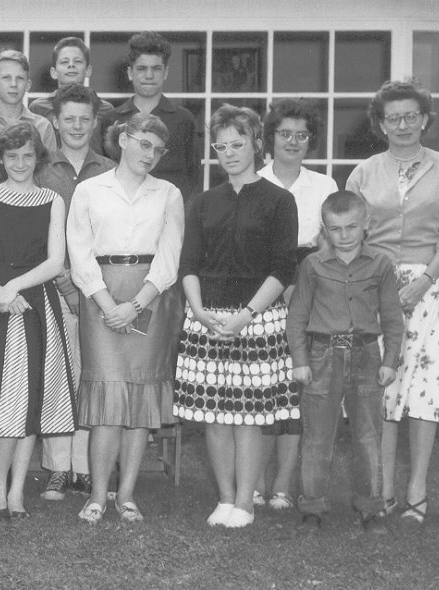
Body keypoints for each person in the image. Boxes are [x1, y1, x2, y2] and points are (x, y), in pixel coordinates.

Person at [346, 80, 439, 527]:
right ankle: (382, 489)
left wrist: (424, 281)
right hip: (375, 286)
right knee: (382, 388)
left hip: (429, 287)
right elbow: (351, 233)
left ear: (425, 120)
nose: (402, 125)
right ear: (380, 124)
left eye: (410, 116)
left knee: (425, 388)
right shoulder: (363, 173)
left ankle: (417, 488)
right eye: (393, 118)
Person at [174, 105, 298, 528]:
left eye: (237, 144)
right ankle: (225, 499)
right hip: (207, 317)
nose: (229, 153)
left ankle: (245, 502)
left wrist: (246, 315)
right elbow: (189, 264)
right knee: (214, 415)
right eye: (221, 147)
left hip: (256, 319)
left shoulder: (279, 200)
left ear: (256, 144)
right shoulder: (204, 202)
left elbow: (283, 268)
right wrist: (199, 310)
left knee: (248, 416)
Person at [67, 113, 184, 523]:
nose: (149, 155)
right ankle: (98, 496)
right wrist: (106, 304)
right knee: (107, 398)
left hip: (149, 296)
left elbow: (169, 258)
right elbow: (79, 251)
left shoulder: (168, 193)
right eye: (143, 144)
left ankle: (128, 495)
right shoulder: (89, 190)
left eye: (158, 149)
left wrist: (135, 305)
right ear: (123, 140)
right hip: (99, 293)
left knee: (140, 398)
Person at [0, 122, 74, 517]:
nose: (20, 163)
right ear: (1, 159)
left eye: (28, 156)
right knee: (1, 399)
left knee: (31, 398)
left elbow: (55, 261)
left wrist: (15, 287)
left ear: (38, 158)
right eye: (12, 156)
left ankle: (17, 492)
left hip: (36, 304)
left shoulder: (51, 200)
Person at [287, 190, 404, 533]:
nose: (344, 235)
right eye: (335, 229)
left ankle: (371, 509)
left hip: (367, 355)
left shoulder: (381, 264)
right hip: (322, 356)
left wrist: (390, 360)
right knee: (317, 437)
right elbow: (297, 317)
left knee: (368, 436)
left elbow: (393, 318)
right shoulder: (312, 266)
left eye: (351, 227)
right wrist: (300, 360)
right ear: (324, 229)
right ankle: (312, 508)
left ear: (366, 224)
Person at [254, 98, 340, 511]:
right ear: (270, 138)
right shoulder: (254, 181)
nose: (292, 141)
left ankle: (283, 486)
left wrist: (300, 289)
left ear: (311, 140)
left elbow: (329, 245)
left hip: (308, 291)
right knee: (260, 389)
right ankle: (254, 483)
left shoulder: (324, 186)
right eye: (284, 133)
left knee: (293, 392)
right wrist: (278, 287)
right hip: (260, 290)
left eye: (301, 135)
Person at [35, 83, 117, 501]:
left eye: (85, 119)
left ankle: (84, 467)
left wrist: (87, 286)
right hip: (53, 289)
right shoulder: (40, 171)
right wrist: (64, 282)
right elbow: (34, 233)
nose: (77, 126)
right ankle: (57, 467)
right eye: (69, 118)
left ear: (95, 121)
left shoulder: (111, 171)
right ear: (55, 121)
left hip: (99, 292)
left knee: (90, 377)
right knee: (57, 378)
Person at [99, 32, 200, 199]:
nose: (149, 75)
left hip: (168, 208)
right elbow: (104, 173)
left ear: (166, 72)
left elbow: (193, 176)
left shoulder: (183, 119)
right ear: (130, 73)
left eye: (156, 68)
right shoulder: (112, 120)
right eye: (141, 68)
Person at [28, 36, 114, 153]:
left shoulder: (104, 109)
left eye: (77, 61)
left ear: (88, 70)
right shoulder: (38, 108)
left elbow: (110, 154)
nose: (71, 65)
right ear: (53, 72)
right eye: (64, 62)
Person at [0, 49, 56, 151]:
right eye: (6, 77)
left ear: (28, 85)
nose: (14, 84)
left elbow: (50, 162)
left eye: (20, 78)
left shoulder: (42, 126)